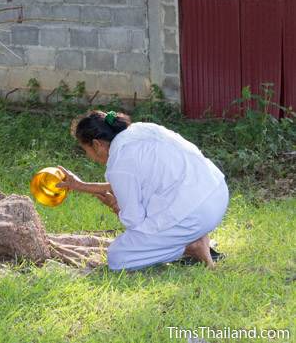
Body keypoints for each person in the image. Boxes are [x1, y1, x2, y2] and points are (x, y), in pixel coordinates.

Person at [56, 110, 229, 270]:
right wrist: (81, 186)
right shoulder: (141, 130)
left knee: (118, 256)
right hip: (216, 193)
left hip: (192, 215)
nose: (89, 157)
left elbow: (134, 222)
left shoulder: (120, 162)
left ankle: (191, 246)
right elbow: (134, 182)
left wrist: (116, 206)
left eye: (86, 150)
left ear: (96, 144)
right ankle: (193, 238)